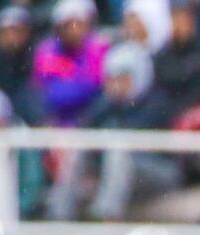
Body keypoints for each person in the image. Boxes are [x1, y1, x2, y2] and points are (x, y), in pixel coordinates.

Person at [48, 43, 180, 222]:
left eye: (123, 79)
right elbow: (86, 128)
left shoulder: (157, 103)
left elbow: (138, 140)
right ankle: (59, 216)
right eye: (112, 79)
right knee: (78, 147)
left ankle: (106, 217)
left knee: (118, 147)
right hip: (117, 168)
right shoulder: (107, 103)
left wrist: (107, 137)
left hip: (159, 170)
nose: (117, 85)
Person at [31, 0, 106, 126]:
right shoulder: (47, 51)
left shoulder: (98, 50)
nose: (73, 30)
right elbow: (41, 90)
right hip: (53, 121)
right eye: (68, 25)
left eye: (78, 24)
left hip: (88, 120)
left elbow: (94, 88)